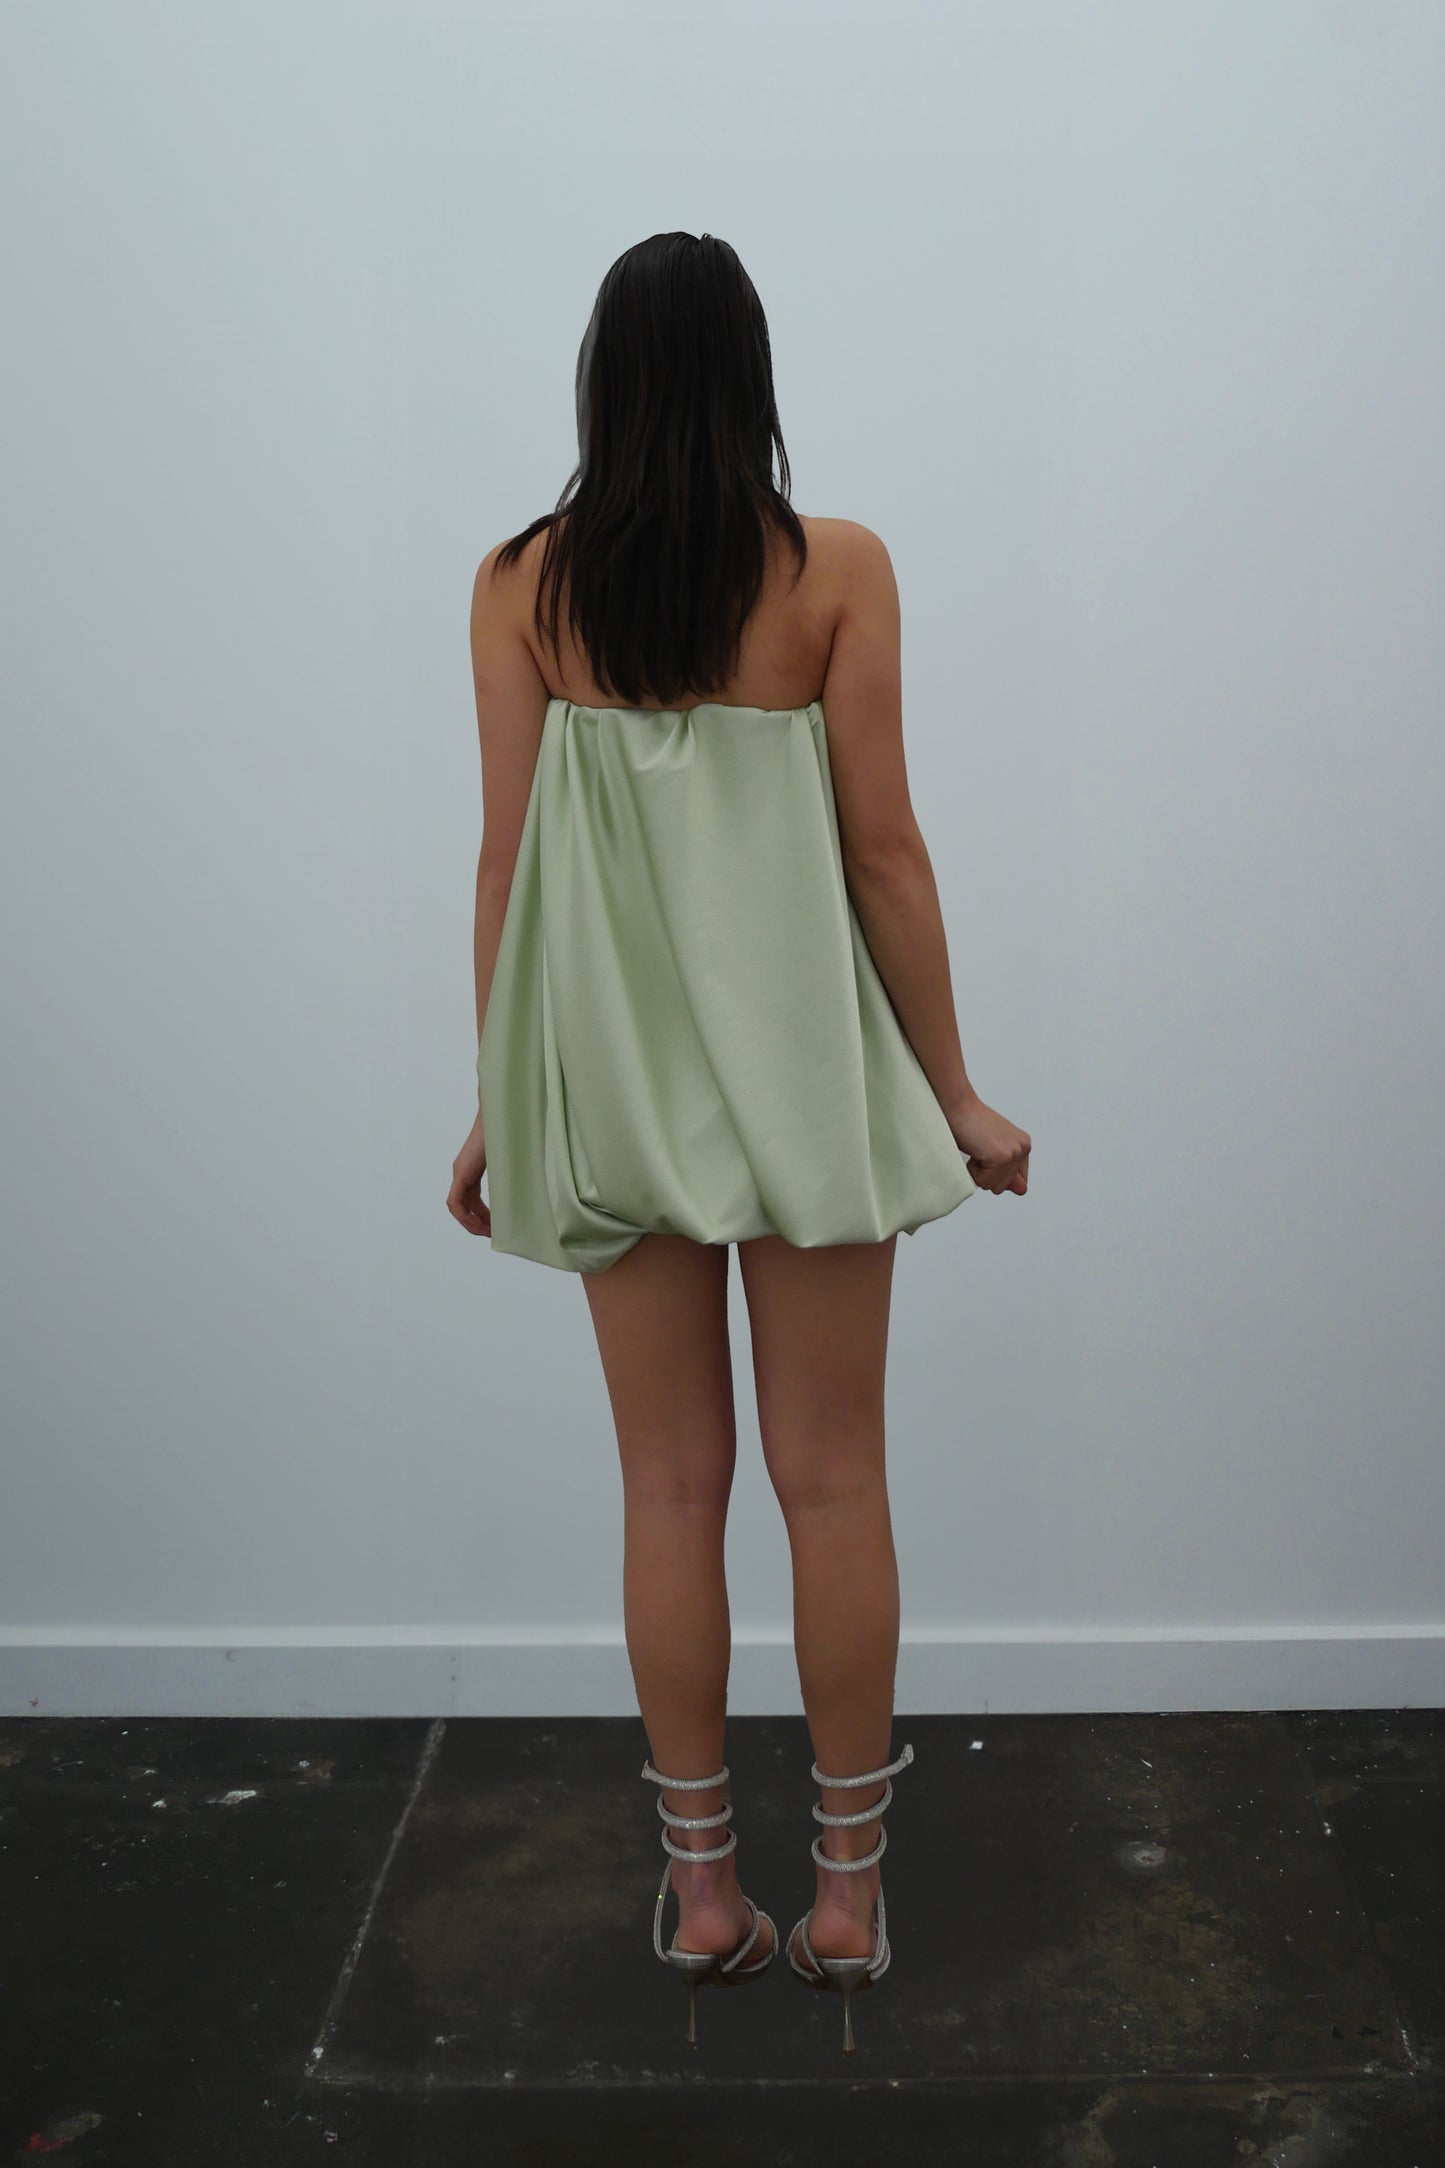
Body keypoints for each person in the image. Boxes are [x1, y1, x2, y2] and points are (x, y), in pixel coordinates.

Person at [447, 232, 1030, 2053]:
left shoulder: (521, 585)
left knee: (668, 1489)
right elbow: (884, 851)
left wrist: (502, 1097)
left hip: (613, 1089)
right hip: (804, 1094)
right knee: (832, 1481)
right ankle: (845, 1901)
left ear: (601, 382)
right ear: (750, 379)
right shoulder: (834, 571)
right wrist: (954, 1091)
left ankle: (703, 1898)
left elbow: (507, 862)